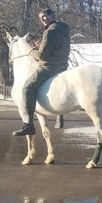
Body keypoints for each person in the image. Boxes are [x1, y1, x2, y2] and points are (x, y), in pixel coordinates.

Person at [12, 8, 70, 136]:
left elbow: (42, 56)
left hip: (49, 67)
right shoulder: (63, 30)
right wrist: (42, 45)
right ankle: (59, 116)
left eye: (45, 16)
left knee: (27, 88)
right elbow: (55, 48)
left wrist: (31, 51)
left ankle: (29, 125)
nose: (43, 19)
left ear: (52, 15)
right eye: (41, 18)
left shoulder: (50, 31)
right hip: (63, 65)